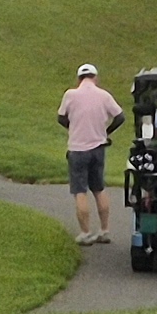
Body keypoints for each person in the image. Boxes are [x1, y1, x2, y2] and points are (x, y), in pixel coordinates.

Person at [56, 63, 126, 245]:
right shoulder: (104, 95)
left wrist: (73, 128)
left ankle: (85, 232)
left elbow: (61, 117)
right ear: (95, 77)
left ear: (79, 78)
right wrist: (106, 132)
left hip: (78, 149)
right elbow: (120, 117)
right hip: (98, 147)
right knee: (99, 188)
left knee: (80, 191)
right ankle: (104, 230)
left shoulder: (70, 95)